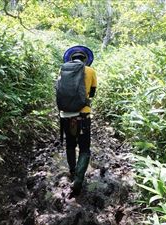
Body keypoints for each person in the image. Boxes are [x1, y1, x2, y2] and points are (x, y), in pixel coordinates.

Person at [59, 46, 97, 196]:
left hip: (66, 115)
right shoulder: (90, 71)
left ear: (71, 59)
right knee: (84, 149)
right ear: (85, 59)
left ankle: (72, 171)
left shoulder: (63, 69)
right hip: (83, 115)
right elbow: (93, 93)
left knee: (70, 144)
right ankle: (79, 180)